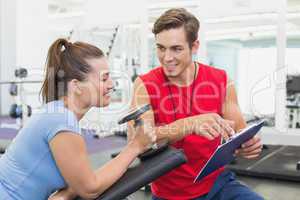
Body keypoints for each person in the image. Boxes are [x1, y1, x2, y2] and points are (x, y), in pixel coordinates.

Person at [128, 8, 264, 200]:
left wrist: (249, 145)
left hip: (217, 183)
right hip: (170, 193)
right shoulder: (144, 84)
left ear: (194, 46)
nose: (167, 58)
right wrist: (190, 124)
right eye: (160, 48)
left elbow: (239, 135)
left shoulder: (221, 80)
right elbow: (139, 142)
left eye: (176, 49)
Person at [0, 38, 155, 200]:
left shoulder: (59, 113)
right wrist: (135, 146)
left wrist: (67, 193)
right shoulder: (61, 120)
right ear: (76, 86)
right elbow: (90, 189)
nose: (112, 85)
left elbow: (81, 182)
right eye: (104, 79)